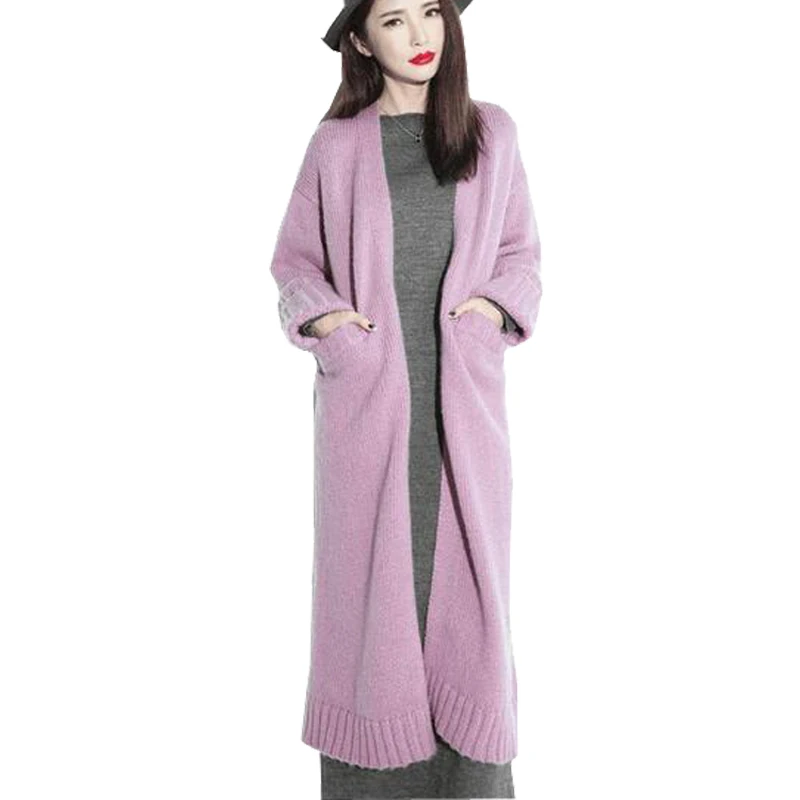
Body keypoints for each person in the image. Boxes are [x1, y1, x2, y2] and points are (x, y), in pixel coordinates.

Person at [270, 1, 543, 797]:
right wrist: (331, 327)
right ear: (360, 39)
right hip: (366, 423)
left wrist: (492, 314)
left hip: (467, 420)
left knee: (471, 616)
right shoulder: (336, 145)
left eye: (431, 12)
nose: (421, 35)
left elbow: (522, 256)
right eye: (394, 20)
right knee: (371, 619)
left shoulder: (491, 133)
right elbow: (295, 265)